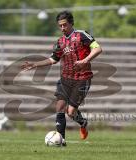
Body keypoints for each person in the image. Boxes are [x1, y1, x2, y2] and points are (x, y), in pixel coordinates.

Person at [21, 10, 102, 146]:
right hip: (65, 78)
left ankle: (82, 122)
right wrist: (35, 64)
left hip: (82, 78)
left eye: (65, 25)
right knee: (59, 106)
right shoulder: (60, 42)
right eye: (60, 26)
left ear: (71, 23)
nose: (62, 28)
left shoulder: (82, 35)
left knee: (70, 112)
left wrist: (85, 60)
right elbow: (53, 59)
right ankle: (61, 140)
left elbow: (97, 49)